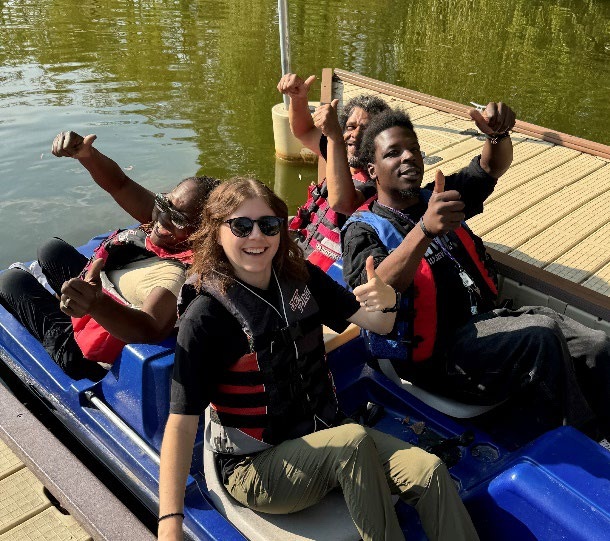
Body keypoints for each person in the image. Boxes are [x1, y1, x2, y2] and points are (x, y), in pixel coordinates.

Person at [158, 178, 479, 541]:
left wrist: (387, 297)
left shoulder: (300, 278)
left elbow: (378, 323)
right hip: (257, 466)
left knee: (429, 470)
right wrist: (170, 521)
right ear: (216, 232)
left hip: (323, 435)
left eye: (268, 225)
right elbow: (182, 424)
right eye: (241, 226)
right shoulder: (206, 317)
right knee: (352, 443)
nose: (257, 236)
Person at [341, 105, 610, 438]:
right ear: (373, 169)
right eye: (393, 153)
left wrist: (497, 135)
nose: (407, 157)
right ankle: (586, 442)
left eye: (413, 149)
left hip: (489, 323)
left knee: (596, 344)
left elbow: (490, 167)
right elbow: (372, 292)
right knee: (541, 337)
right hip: (437, 359)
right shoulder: (361, 231)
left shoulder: (439, 196)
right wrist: (424, 230)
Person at [0, 131, 219, 380]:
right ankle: (70, 304)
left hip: (90, 349)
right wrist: (87, 154)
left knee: (11, 282)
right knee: (51, 251)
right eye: (165, 202)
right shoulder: (167, 226)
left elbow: (150, 328)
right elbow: (120, 184)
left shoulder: (175, 275)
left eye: (177, 217)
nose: (163, 218)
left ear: (201, 233)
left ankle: (64, 327)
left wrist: (96, 304)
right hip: (105, 294)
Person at [277, 73, 389, 270]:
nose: (355, 135)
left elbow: (343, 203)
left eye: (365, 130)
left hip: (322, 275)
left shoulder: (380, 181)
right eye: (350, 127)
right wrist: (298, 98)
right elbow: (303, 131)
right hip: (298, 249)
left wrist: (335, 137)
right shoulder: (339, 154)